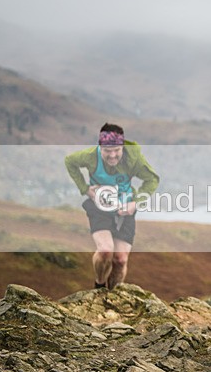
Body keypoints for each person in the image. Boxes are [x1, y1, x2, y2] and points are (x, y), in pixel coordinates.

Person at [65, 123, 159, 290]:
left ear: (122, 147)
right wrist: (85, 189)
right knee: (105, 251)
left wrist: (135, 202)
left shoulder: (133, 158)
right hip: (99, 207)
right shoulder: (90, 156)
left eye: (117, 150)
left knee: (120, 259)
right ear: (100, 147)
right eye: (107, 151)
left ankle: (115, 295)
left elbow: (152, 179)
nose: (113, 155)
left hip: (125, 208)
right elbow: (70, 161)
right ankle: (99, 287)